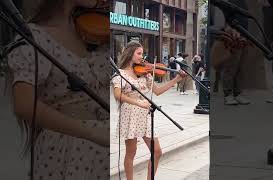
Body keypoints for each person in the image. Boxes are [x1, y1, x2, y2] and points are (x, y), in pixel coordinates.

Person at [7, 0, 109, 179]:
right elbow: (24, 104)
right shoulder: (37, 37)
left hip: (104, 152)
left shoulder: (95, 31)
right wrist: (91, 131)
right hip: (67, 151)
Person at [111, 41, 186, 180]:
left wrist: (176, 79)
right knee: (131, 152)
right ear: (129, 54)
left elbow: (157, 91)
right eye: (138, 53)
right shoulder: (120, 74)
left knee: (157, 151)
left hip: (145, 114)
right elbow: (117, 95)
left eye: (142, 53)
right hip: (130, 114)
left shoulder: (145, 73)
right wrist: (137, 102)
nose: (142, 56)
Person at [220, 0, 251, 106]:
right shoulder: (228, 2)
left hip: (244, 36)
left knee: (241, 67)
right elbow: (223, 18)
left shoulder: (244, 3)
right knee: (231, 67)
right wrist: (228, 29)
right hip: (232, 37)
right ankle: (228, 95)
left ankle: (238, 94)